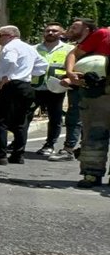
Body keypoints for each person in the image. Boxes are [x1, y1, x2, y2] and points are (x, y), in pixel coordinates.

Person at [0, 25, 47, 165]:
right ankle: (18, 155)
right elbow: (43, 65)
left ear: (9, 35)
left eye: (0, 36)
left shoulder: (10, 47)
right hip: (26, 86)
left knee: (0, 121)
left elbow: (9, 61)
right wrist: (28, 72)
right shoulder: (30, 48)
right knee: (20, 122)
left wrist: (6, 76)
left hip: (11, 86)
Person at [62, 18, 110, 186]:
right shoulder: (104, 34)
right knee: (94, 134)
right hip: (98, 94)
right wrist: (70, 73)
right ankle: (91, 174)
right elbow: (74, 53)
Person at [49, 18, 95, 162]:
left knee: (88, 120)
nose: (71, 30)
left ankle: (78, 148)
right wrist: (69, 74)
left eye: (75, 27)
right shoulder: (80, 46)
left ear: (86, 29)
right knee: (74, 118)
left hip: (94, 89)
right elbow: (72, 56)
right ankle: (71, 148)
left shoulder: (96, 44)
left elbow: (95, 68)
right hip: (77, 88)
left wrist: (73, 78)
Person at [31, 22, 74, 157]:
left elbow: (74, 67)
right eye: (48, 31)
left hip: (56, 87)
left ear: (61, 33)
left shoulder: (69, 49)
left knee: (55, 117)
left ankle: (49, 144)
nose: (50, 33)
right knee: (24, 115)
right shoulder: (34, 48)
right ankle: (17, 142)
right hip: (35, 86)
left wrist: (69, 79)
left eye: (54, 31)